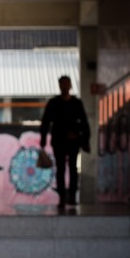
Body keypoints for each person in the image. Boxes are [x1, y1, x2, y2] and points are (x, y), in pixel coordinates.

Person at [40, 75, 91, 207]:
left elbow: (84, 122)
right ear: (59, 86)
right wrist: (43, 139)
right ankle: (62, 197)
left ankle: (72, 196)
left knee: (73, 168)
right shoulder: (54, 103)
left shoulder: (76, 103)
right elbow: (45, 122)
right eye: (62, 84)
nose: (65, 86)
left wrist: (85, 139)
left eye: (67, 83)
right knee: (61, 168)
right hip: (59, 140)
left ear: (70, 86)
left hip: (73, 140)